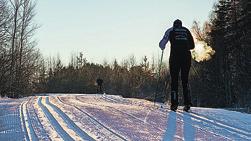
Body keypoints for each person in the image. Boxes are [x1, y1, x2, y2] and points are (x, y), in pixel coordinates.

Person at [159, 19, 195, 112]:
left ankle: (174, 104)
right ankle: (187, 104)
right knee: (185, 80)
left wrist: (164, 47)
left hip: (175, 57)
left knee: (174, 80)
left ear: (174, 25)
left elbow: (162, 44)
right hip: (186, 57)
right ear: (181, 25)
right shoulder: (186, 30)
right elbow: (192, 46)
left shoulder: (170, 30)